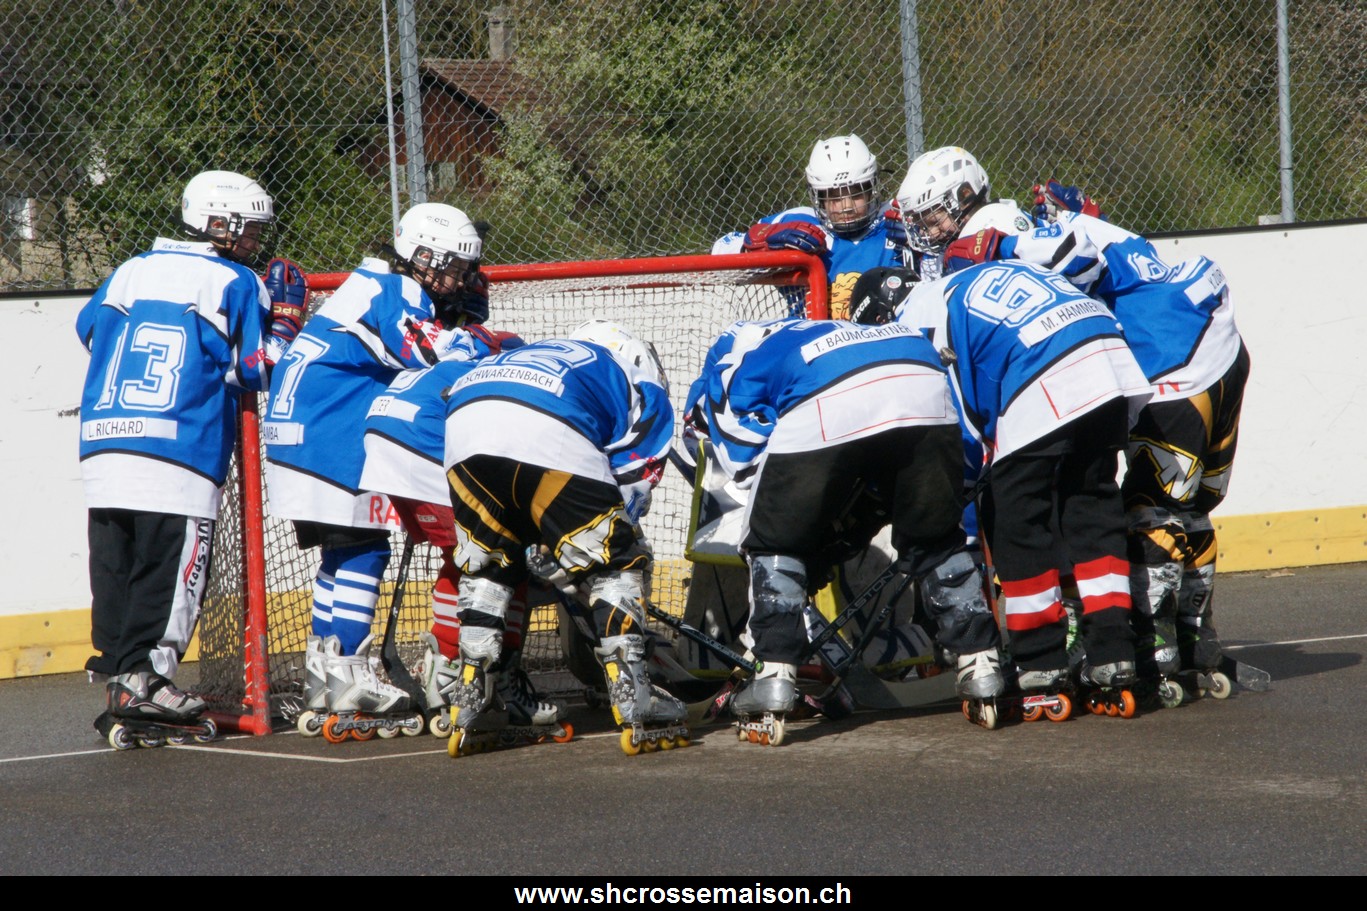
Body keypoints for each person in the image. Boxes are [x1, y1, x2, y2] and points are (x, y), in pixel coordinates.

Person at [939, 198, 1251, 703]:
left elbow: (1074, 256)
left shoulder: (1014, 250)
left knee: (1144, 510)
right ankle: (1195, 636)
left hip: (1169, 359)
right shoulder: (1077, 221)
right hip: (1218, 339)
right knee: (1189, 509)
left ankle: (1154, 648)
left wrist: (1002, 245)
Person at [683, 315, 1006, 739]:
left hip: (829, 392)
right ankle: (981, 663)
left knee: (774, 540)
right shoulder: (820, 329)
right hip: (920, 373)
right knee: (936, 539)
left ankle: (774, 676)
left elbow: (741, 456)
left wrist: (781, 513)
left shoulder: (730, 359)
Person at [852, 263, 1151, 717]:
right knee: (1090, 508)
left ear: (880, 319)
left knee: (1014, 516)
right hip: (1106, 352)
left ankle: (1040, 661)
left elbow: (962, 434)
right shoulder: (949, 286)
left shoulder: (912, 321)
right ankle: (1113, 652)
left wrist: (944, 511)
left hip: (1045, 360)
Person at [77, 169, 306, 745]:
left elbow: (88, 331)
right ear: (217, 223)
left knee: (118, 568)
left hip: (104, 444)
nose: (254, 240)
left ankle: (120, 677)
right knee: (171, 573)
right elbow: (256, 368)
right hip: (178, 448)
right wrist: (286, 321)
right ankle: (147, 680)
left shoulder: (129, 269)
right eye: (248, 228)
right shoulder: (234, 280)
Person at [264, 202, 499, 740]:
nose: (458, 278)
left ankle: (327, 672)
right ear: (420, 256)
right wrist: (477, 338)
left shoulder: (369, 282)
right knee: (365, 550)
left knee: (341, 551)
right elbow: (430, 353)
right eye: (452, 266)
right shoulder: (397, 289)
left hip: (299, 433)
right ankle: (349, 673)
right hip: (329, 432)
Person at [442, 320, 684, 756]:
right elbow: (633, 482)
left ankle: (475, 690)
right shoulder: (634, 375)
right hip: (548, 426)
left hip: (465, 420)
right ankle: (634, 693)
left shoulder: (540, 352)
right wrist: (594, 553)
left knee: (490, 567)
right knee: (619, 561)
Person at [357, 345, 568, 737]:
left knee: (467, 555)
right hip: (423, 442)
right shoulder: (503, 373)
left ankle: (450, 669)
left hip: (384, 441)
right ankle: (469, 674)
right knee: (495, 558)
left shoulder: (450, 365)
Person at [713, 134, 908, 318]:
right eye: (834, 197)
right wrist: (761, 242)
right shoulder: (798, 222)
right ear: (819, 198)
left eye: (856, 194)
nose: (846, 206)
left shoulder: (896, 219)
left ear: (871, 189)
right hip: (812, 336)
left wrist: (919, 241)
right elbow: (720, 250)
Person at [894, 145, 1036, 281]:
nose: (931, 235)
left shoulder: (1005, 226)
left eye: (935, 222)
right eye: (923, 227)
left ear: (965, 196)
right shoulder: (944, 251)